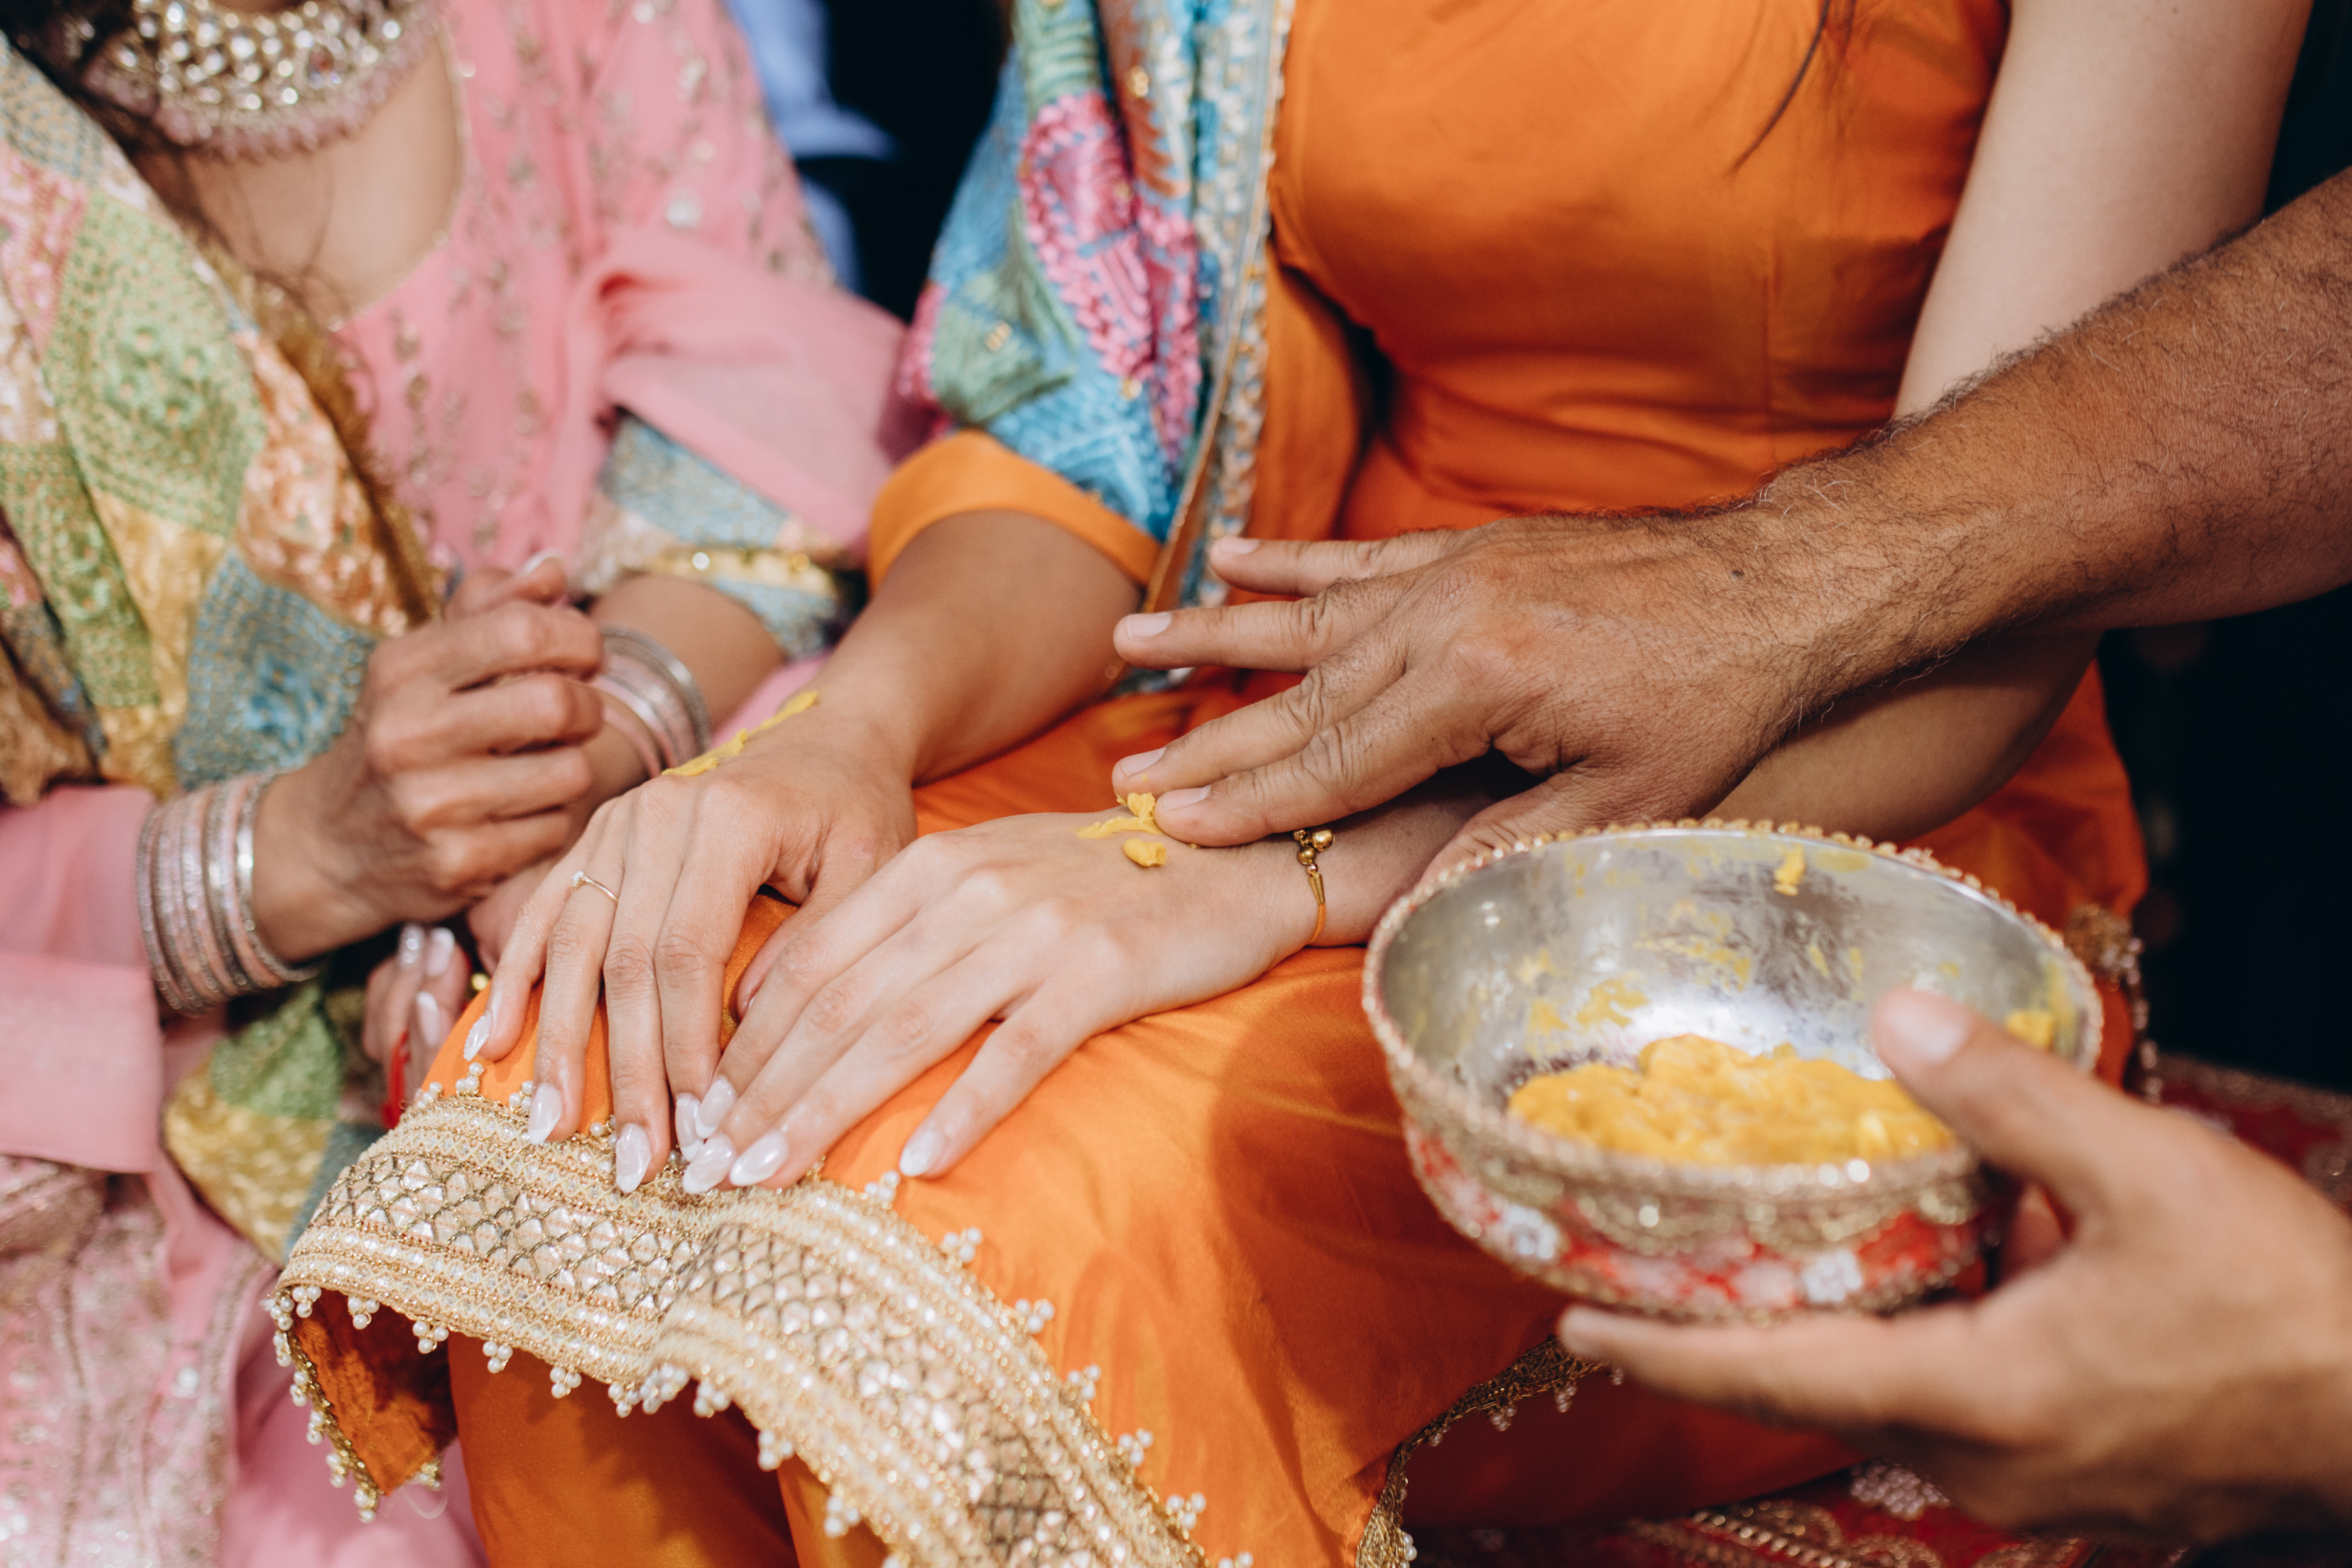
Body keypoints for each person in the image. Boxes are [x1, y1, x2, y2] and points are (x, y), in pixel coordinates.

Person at [275, 0, 2304, 1560]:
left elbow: (1987, 591)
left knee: (986, 1227)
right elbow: (1097, 419)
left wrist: (1270, 868)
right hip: (1282, 672)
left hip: (1814, 829)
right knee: (600, 1075)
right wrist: (839, 734)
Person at [0, 0, 910, 1554]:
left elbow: (768, 406)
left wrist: (582, 748)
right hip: (178, 1146)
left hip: (677, 830)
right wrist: (298, 857)